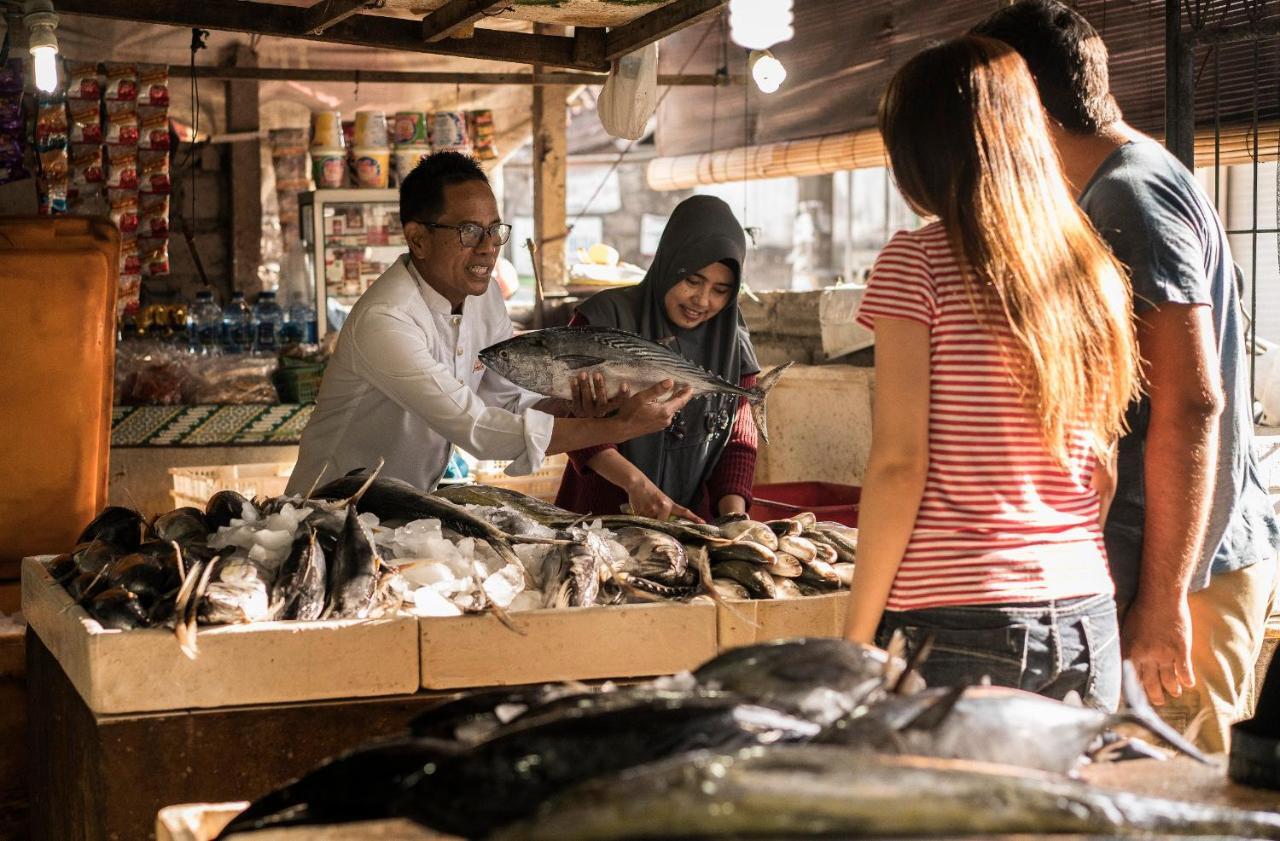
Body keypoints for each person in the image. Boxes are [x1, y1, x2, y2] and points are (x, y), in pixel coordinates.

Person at [974, 0, 1280, 752]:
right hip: (1161, 570)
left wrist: (1164, 601)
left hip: (1187, 582)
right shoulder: (1113, 186)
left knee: (1178, 802)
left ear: (1026, 104)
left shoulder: (1129, 195)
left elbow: (1193, 401)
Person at [842, 35, 1142, 711]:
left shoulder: (915, 264)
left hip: (957, 619)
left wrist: (856, 641)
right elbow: (1102, 473)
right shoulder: (1091, 269)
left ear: (924, 150)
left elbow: (898, 465)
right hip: (1088, 614)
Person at [286, 152, 693, 495]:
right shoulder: (386, 321)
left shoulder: (484, 298)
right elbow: (476, 428)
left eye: (494, 230)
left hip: (401, 506)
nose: (488, 247)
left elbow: (506, 401)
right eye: (468, 231)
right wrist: (620, 428)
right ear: (418, 239)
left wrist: (573, 405)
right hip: (329, 510)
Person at [554, 195, 760, 523]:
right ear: (670, 260)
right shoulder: (603, 318)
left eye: (720, 290)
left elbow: (738, 436)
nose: (702, 300)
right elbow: (567, 416)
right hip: (599, 520)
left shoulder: (732, 340)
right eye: (692, 280)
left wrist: (733, 517)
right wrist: (636, 484)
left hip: (690, 525)